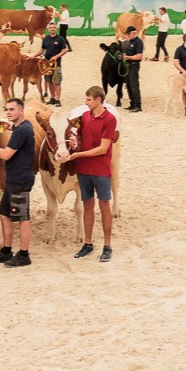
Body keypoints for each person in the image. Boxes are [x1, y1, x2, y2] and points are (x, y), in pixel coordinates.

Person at [65, 86, 116, 262]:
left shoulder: (109, 119)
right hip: (83, 169)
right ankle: (88, 243)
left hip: (100, 169)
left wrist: (79, 154)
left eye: (89, 99)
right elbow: (79, 138)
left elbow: (103, 148)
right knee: (87, 205)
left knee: (104, 206)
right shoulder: (85, 117)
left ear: (98, 100)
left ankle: (107, 245)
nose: (86, 102)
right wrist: (74, 143)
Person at [0, 98, 35, 267]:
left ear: (21, 111)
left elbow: (6, 154)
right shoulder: (21, 127)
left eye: (12, 109)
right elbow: (10, 124)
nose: (8, 112)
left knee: (22, 217)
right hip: (13, 179)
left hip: (20, 180)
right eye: (7, 109)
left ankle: (24, 254)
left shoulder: (22, 131)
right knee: (3, 213)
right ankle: (6, 250)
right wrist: (0, 121)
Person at [33, 21, 69, 107]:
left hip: (56, 63)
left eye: (54, 27)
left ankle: (58, 99)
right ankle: (52, 98)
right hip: (47, 64)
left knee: (57, 82)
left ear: (56, 29)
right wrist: (33, 56)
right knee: (49, 81)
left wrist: (56, 56)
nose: (52, 29)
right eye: (50, 27)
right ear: (48, 29)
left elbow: (64, 50)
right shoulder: (46, 39)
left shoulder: (60, 39)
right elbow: (42, 50)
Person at [121, 25, 143, 112]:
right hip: (128, 66)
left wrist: (129, 57)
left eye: (128, 34)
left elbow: (139, 56)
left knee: (134, 86)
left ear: (133, 33)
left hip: (134, 66)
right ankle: (132, 104)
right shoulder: (130, 41)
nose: (127, 36)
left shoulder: (138, 42)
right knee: (129, 85)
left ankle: (138, 105)